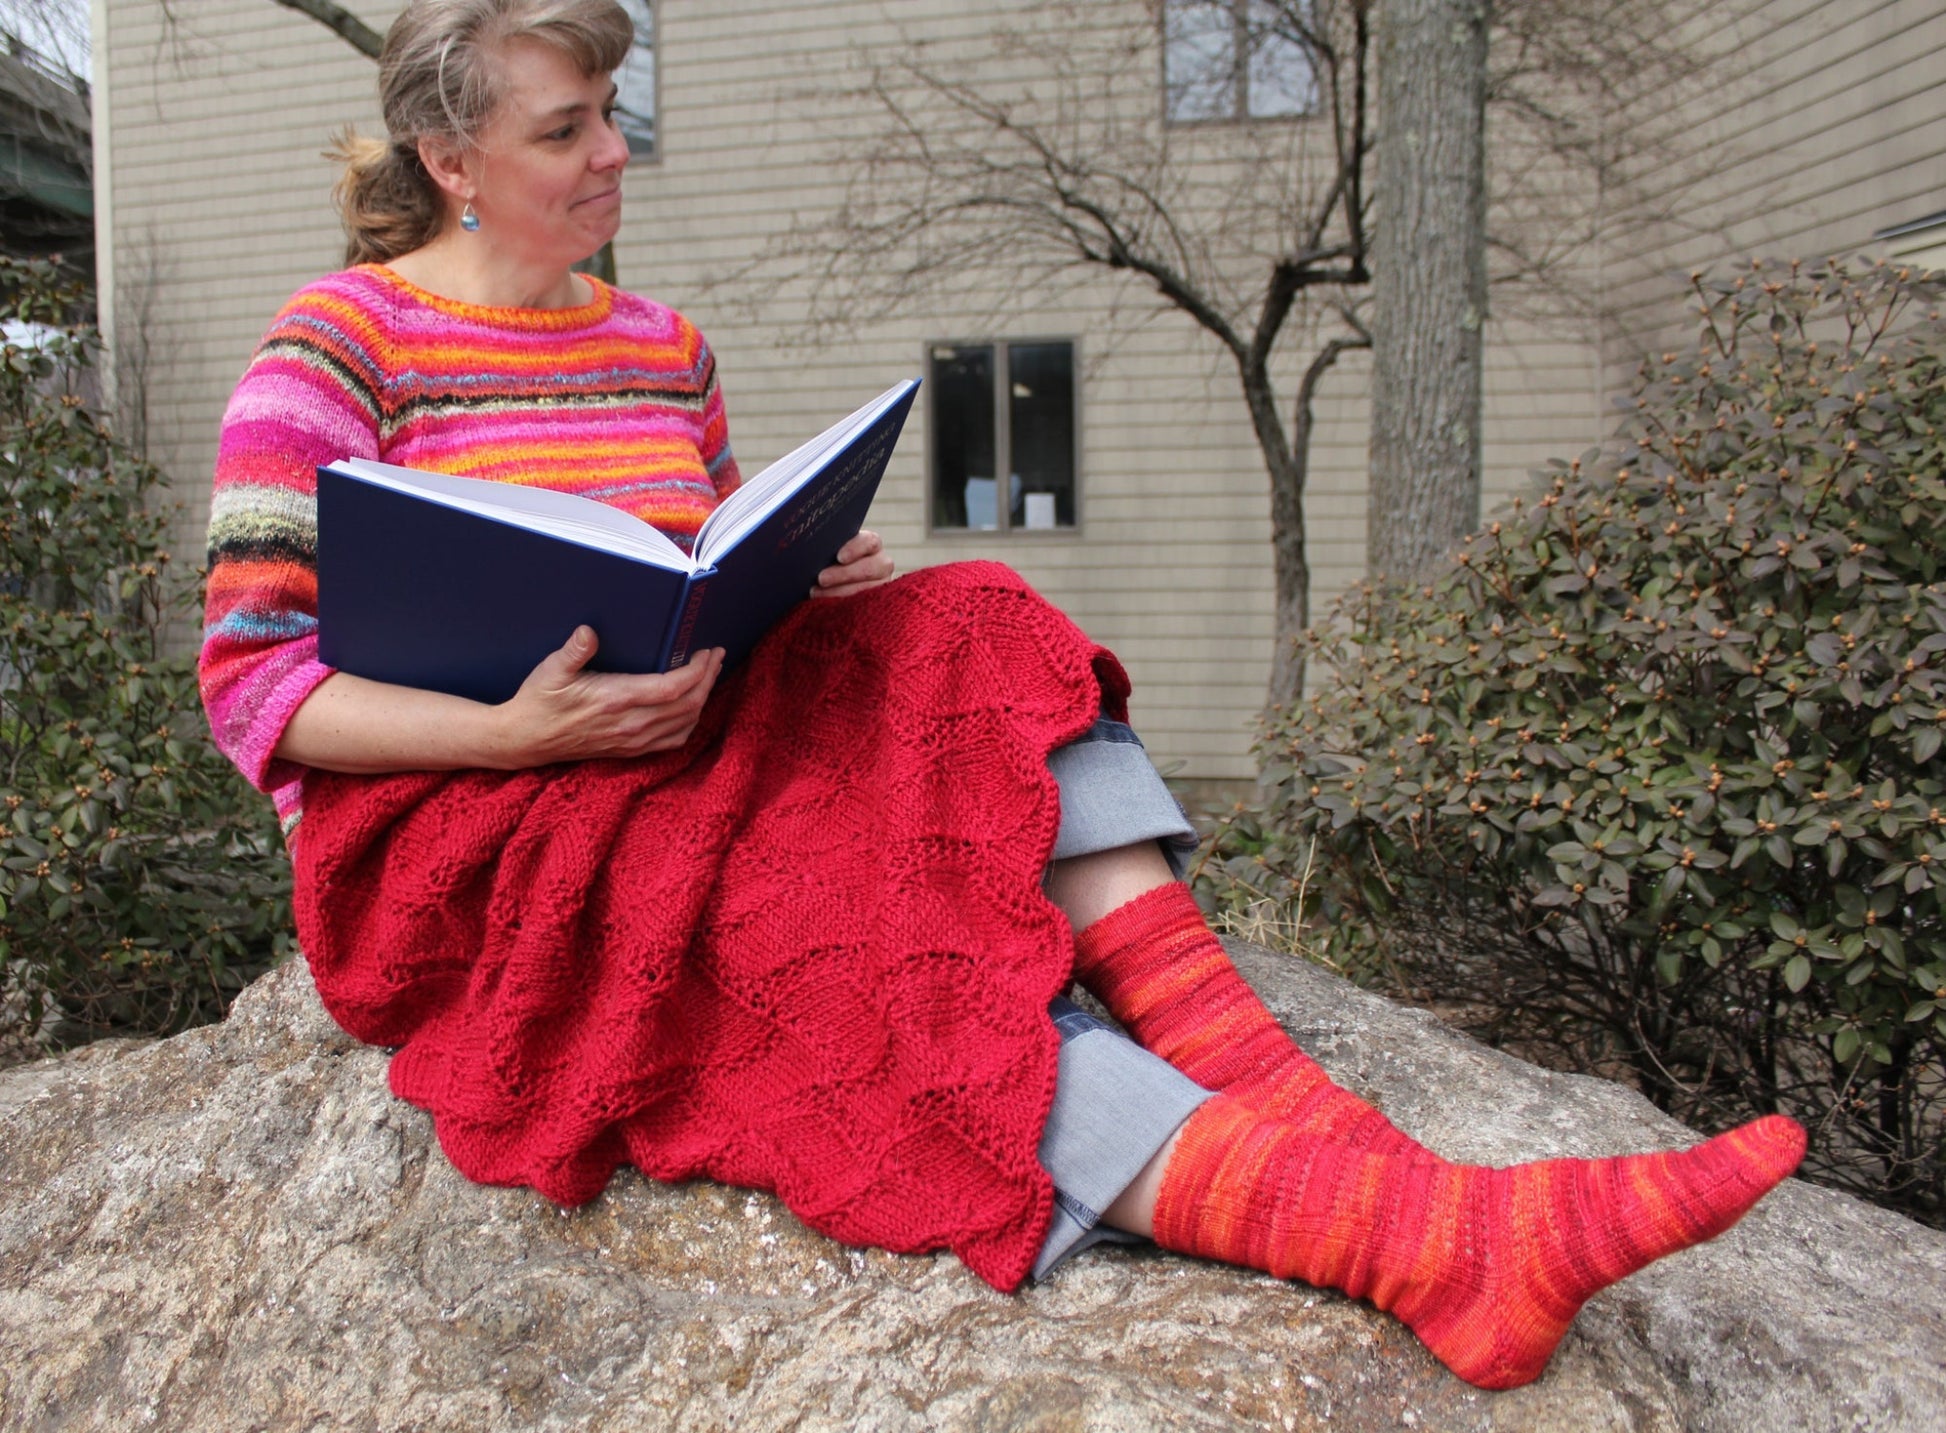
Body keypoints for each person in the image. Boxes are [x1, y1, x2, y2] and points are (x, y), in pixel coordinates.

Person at [200, 0, 1804, 1393]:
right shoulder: (336, 350)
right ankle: (1416, 1236)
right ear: (451, 162)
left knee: (967, 611)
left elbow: (691, 555)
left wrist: (791, 564)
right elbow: (255, 688)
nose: (616, 149)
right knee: (854, 933)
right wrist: (519, 732)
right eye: (569, 128)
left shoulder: (659, 346)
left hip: (684, 733)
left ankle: (1284, 1093)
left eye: (613, 111)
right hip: (481, 819)